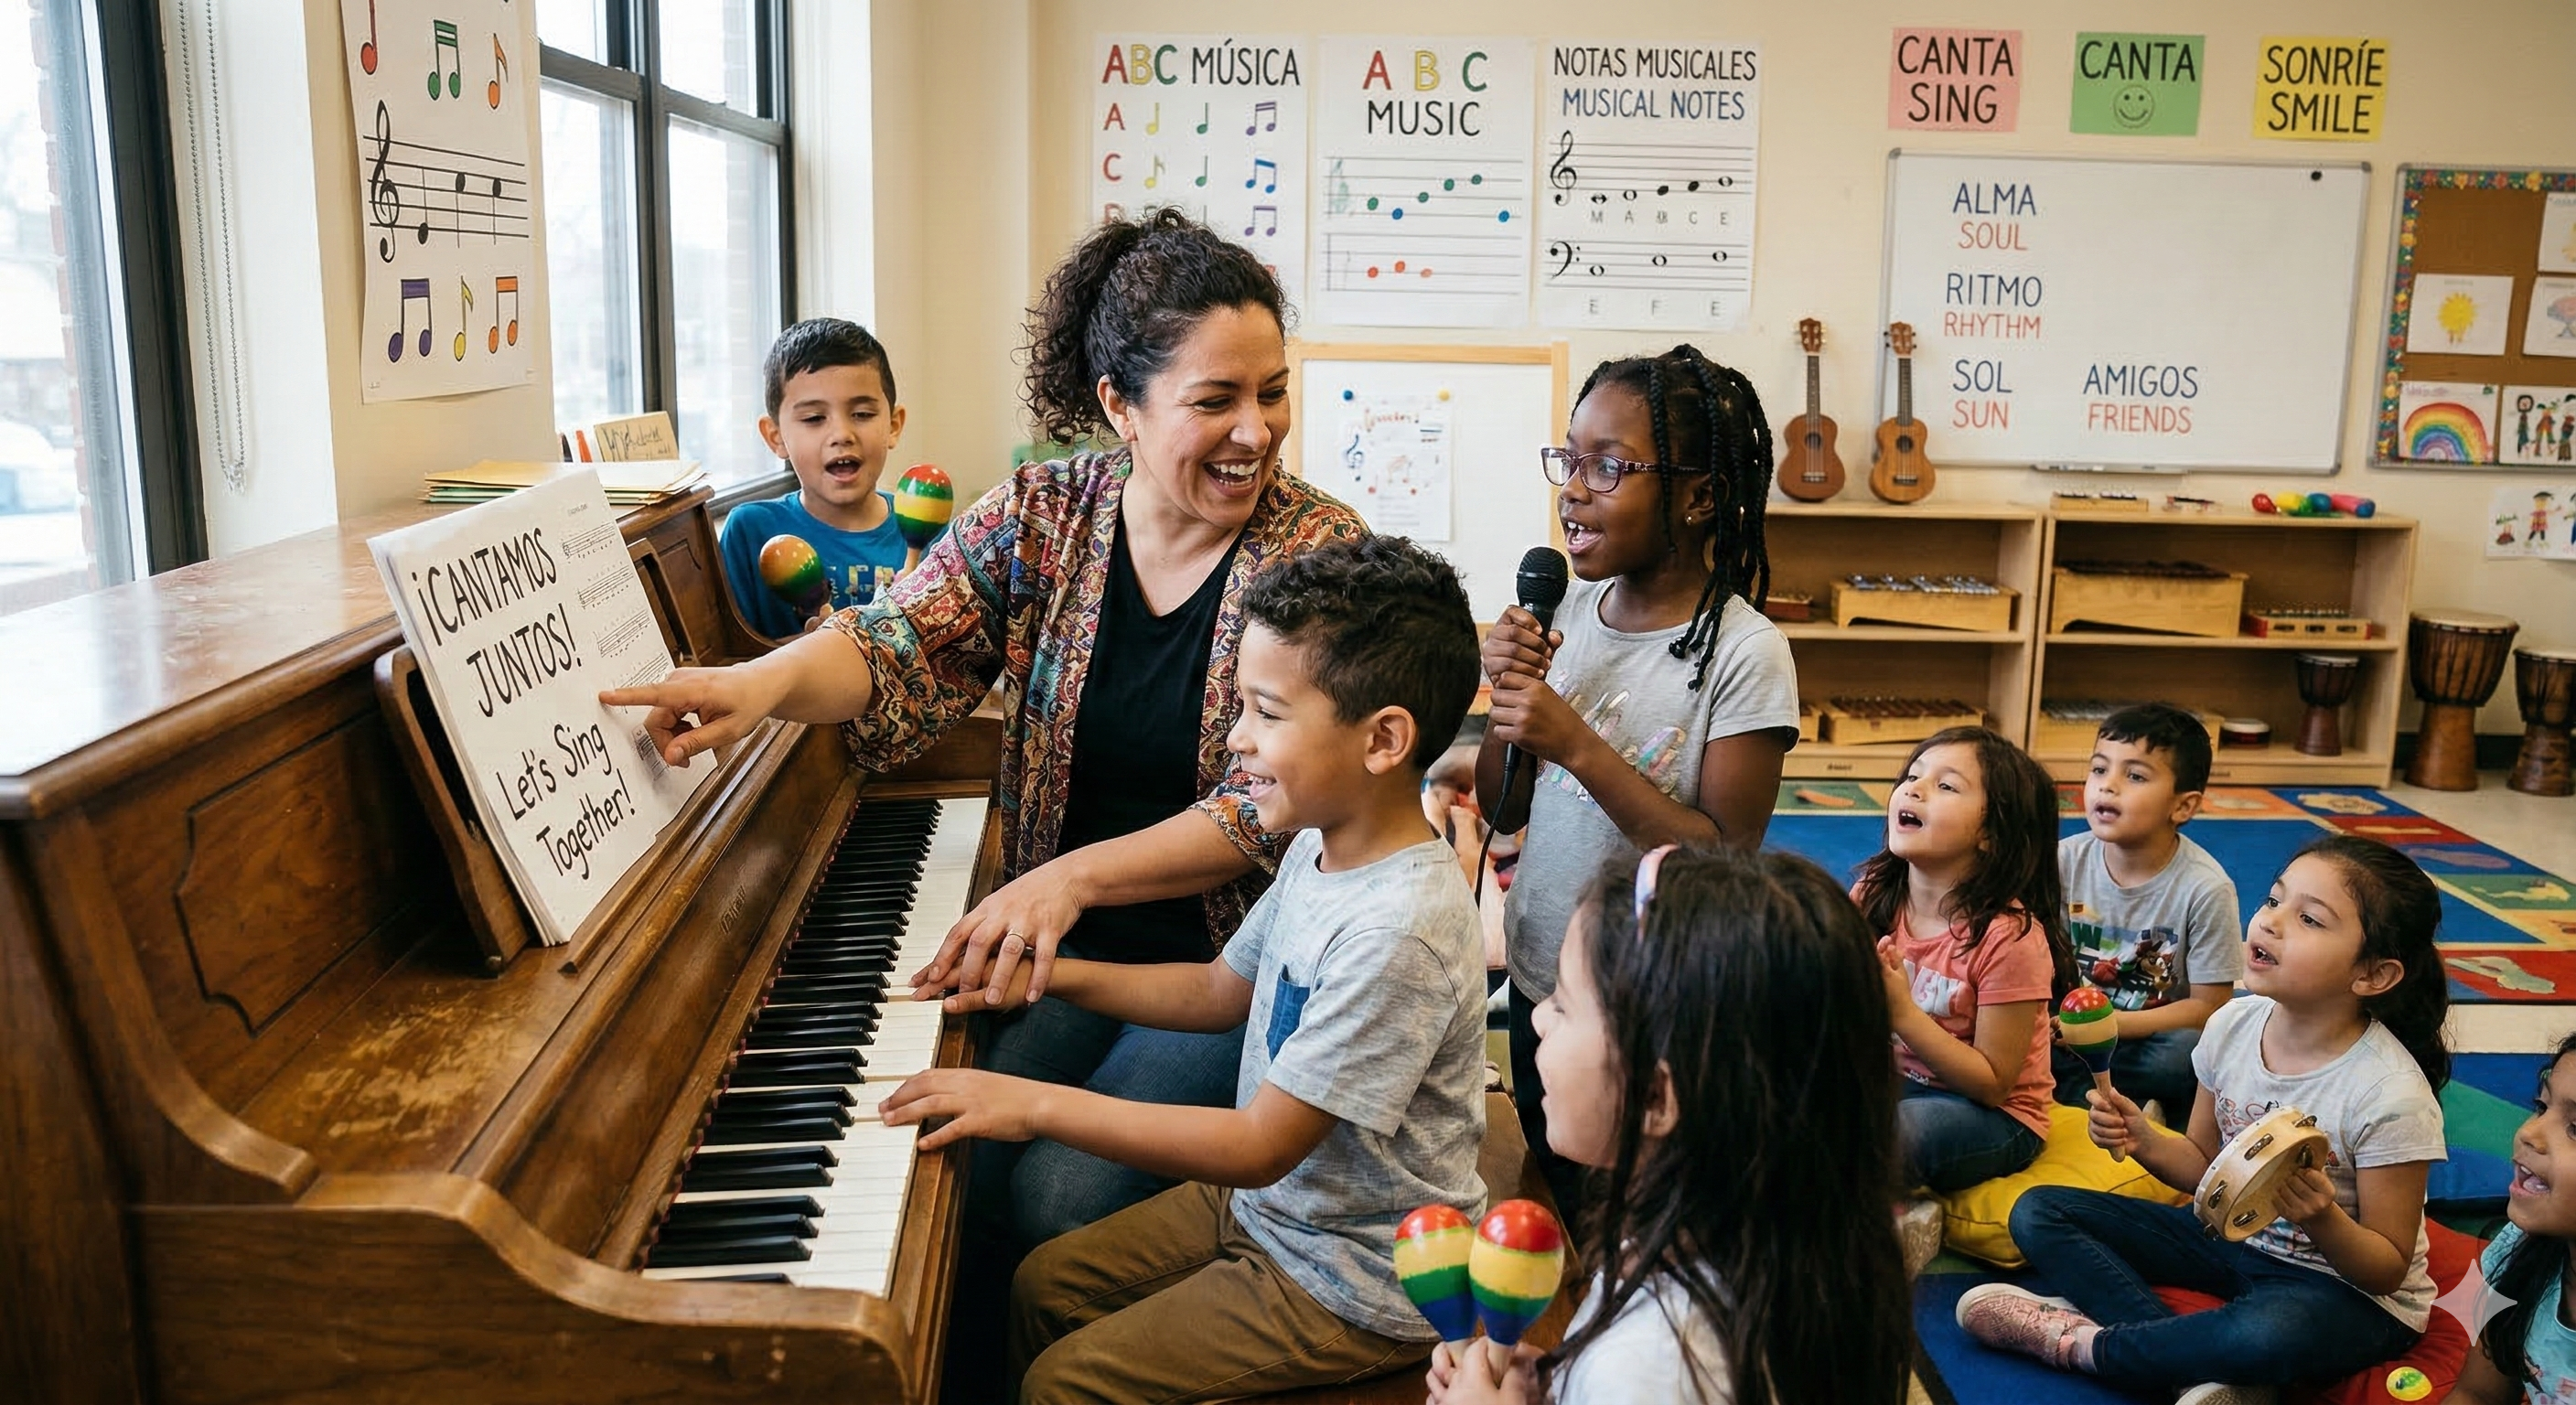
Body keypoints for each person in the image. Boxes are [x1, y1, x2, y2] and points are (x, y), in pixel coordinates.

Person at [603, 210, 1364, 1261]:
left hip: (1224, 969)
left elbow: (1267, 804)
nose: (1256, 431)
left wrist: (1069, 881)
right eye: (1214, 401)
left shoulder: (1320, 557)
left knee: (1052, 1193)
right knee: (948, 1153)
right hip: (1064, 948)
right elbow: (896, 638)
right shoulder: (1046, 514)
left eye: (1271, 392)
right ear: (1119, 407)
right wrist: (761, 680)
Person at [884, 536, 1487, 1400]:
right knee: (1041, 1286)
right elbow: (1215, 993)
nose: (1236, 741)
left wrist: (1029, 1104)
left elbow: (1257, 1146)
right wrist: (1047, 973)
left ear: (1383, 740)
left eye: (1267, 714)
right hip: (1279, 1215)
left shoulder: (1399, 933)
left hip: (1356, 1276)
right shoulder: (1321, 845)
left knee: (1064, 1383)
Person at [1459, 345, 1798, 1212]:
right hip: (1544, 981)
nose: (1573, 487)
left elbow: (1721, 859)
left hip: (1653, 1006)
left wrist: (1578, 743)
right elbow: (1507, 799)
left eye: (1608, 466)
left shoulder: (1748, 653)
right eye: (1568, 459)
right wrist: (1509, 698)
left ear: (1699, 494)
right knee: (1551, 1189)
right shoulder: (1565, 609)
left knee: (1623, 1219)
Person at [1961, 836, 2451, 1401]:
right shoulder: (2234, 1025)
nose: (2270, 923)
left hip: (2342, 1290)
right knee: (2040, 1211)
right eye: (2273, 901)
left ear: (2372, 975)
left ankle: (2087, 1348)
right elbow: (2200, 1168)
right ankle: (2187, 1362)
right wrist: (2142, 1137)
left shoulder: (2390, 1093)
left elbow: (2386, 1270)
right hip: (2230, 1239)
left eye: (2311, 920)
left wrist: (2322, 1219)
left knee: (2268, 1333)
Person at [1426, 844, 1915, 1405]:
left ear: (1656, 1098)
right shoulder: (1775, 1244)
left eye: (1563, 1004)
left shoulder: (1648, 1367)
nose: (1537, 1016)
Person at [1852, 725, 2076, 1194]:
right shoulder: (1875, 894)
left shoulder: (2010, 938)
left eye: (1945, 785)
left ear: (1991, 833)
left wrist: (1903, 1014)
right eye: (1913, 776)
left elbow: (1994, 1083)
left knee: (1898, 1134)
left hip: (1992, 1115)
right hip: (1891, 1080)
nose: (1913, 789)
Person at [2054, 702, 2244, 1120]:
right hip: (2066, 1033)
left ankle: (2135, 1109)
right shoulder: (2062, 863)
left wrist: (2113, 1027)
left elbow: (2209, 1008)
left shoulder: (2206, 888)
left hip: (2145, 1037)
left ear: (2183, 807)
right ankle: (2099, 1100)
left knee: (2191, 1055)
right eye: (2100, 770)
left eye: (2135, 776)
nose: (2108, 787)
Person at [717, 317, 913, 638]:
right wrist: (818, 649)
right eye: (814, 418)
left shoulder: (930, 538)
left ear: (893, 425)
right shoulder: (751, 531)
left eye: (862, 414)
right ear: (775, 437)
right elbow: (730, 656)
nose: (841, 434)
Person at [2444, 1033, 2576, 1405]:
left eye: (2575, 1129)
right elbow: (2478, 1394)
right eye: (2541, 1106)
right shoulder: (2519, 1250)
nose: (2528, 1133)